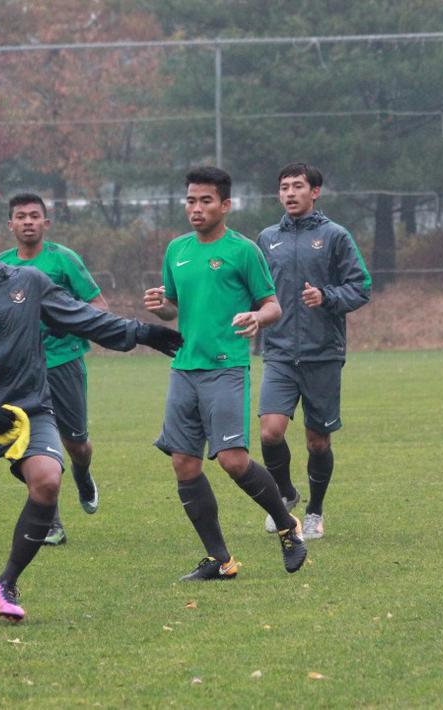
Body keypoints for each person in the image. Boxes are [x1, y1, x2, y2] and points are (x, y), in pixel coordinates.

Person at [0, 207, 182, 622]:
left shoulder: (28, 282)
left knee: (46, 482)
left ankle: (5, 583)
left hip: (31, 411)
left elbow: (84, 318)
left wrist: (141, 333)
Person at [143, 166, 308, 582]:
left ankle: (287, 526)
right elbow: (172, 307)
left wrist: (258, 316)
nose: (196, 209)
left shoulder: (243, 250)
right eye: (190, 201)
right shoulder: (176, 249)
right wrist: (158, 305)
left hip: (225, 368)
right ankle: (220, 559)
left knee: (233, 461)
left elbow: (273, 305)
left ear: (225, 205)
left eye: (205, 201)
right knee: (184, 463)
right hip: (183, 368)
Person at [255, 163, 371, 540]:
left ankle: (315, 511)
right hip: (279, 352)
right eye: (284, 187)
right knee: (270, 432)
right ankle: (284, 495)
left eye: (298, 186)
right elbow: (254, 289)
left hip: (323, 353)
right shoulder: (267, 238)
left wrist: (327, 297)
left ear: (314, 191)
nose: (290, 193)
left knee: (317, 441)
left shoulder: (335, 235)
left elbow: (361, 286)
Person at [0, 193, 106, 546]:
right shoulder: (0, 265)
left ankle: (83, 474)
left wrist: (69, 323)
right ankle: (51, 522)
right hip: (21, 372)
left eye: (34, 216)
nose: (28, 221)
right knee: (32, 445)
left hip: (64, 361)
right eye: (20, 216)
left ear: (46, 222)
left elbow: (98, 305)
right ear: (10, 224)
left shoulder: (63, 260)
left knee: (76, 444)